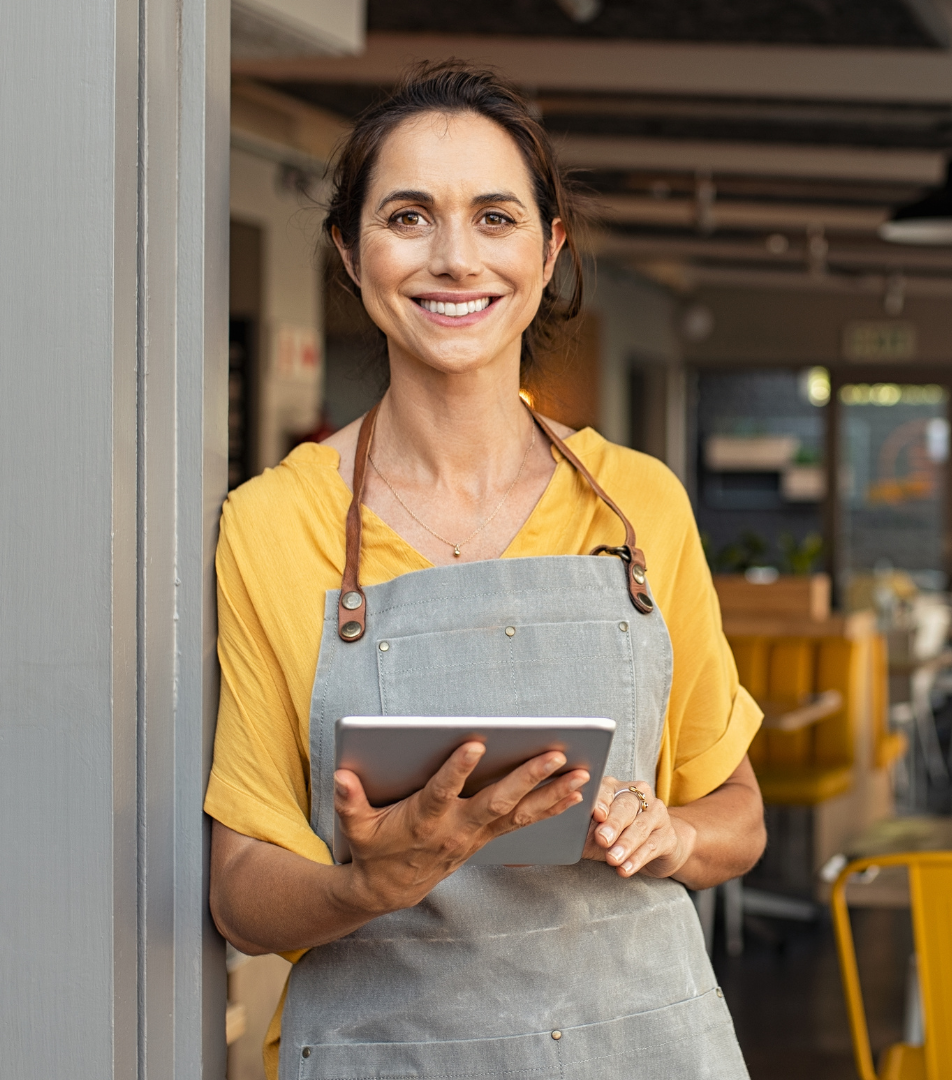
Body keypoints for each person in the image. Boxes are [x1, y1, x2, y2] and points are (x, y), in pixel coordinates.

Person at [204, 63, 762, 1079]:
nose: (455, 259)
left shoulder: (638, 507)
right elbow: (241, 887)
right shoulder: (273, 524)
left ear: (549, 252)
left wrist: (668, 836)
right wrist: (376, 880)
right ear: (349, 249)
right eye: (409, 217)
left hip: (642, 1048)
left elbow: (739, 815)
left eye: (495, 218)